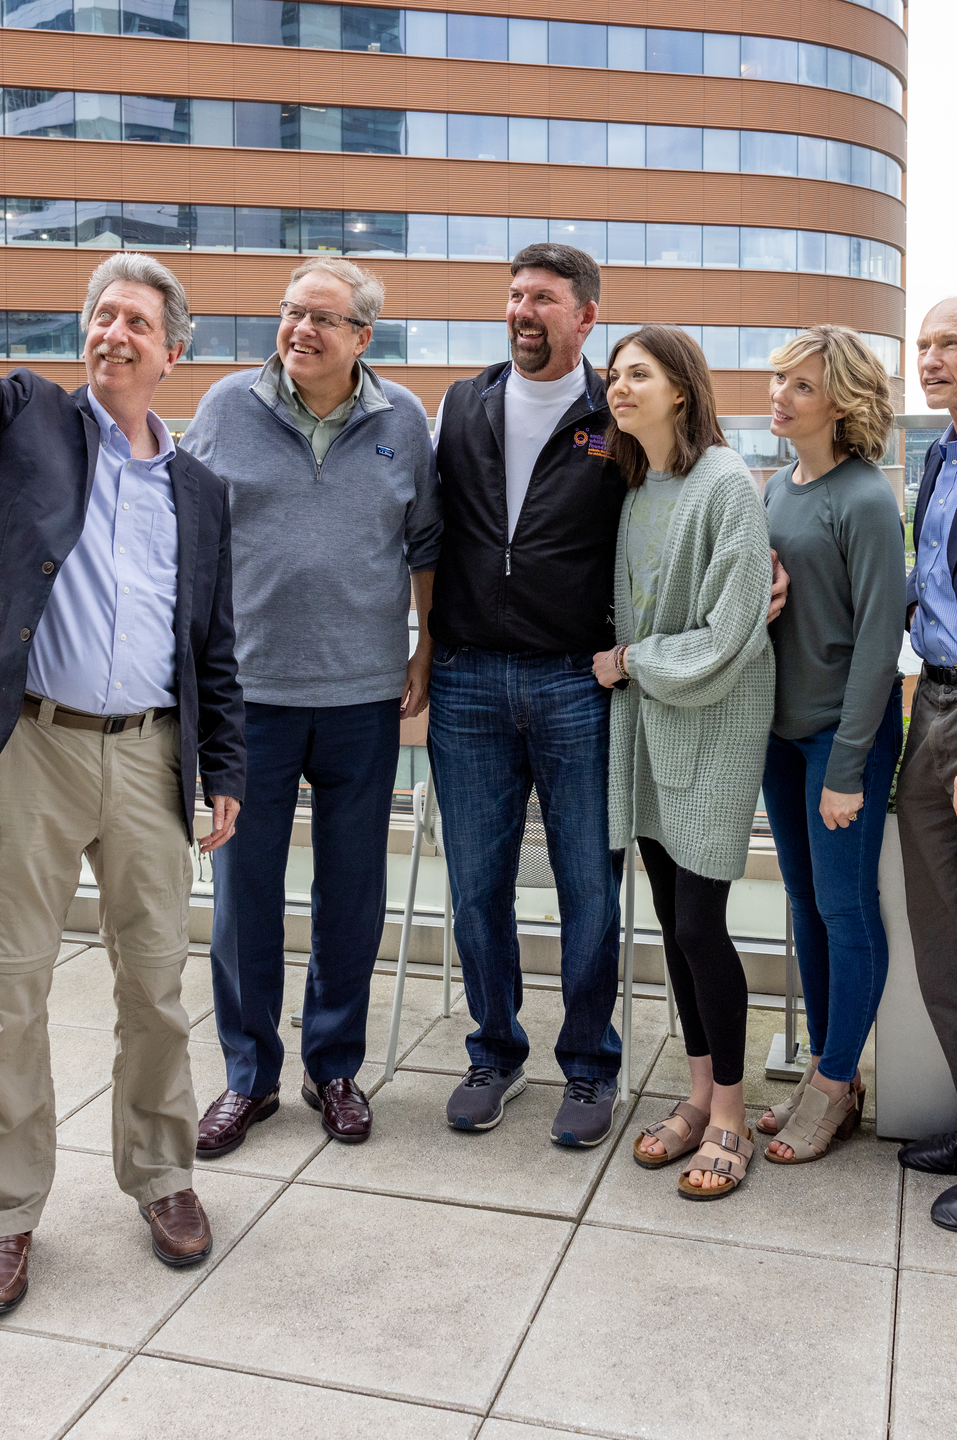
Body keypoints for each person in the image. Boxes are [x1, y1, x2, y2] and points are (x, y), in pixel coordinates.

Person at [0, 241, 245, 1315]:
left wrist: (221, 766)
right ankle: (2, 1217)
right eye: (101, 316)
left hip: (149, 756)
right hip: (32, 747)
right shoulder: (22, 420)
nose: (112, 333)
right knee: (7, 987)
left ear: (172, 351)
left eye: (136, 321)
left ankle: (162, 1176)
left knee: (156, 990)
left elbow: (211, 646)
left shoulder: (202, 492)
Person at [182, 257, 440, 1152]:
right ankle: (247, 1078)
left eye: (324, 319)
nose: (301, 330)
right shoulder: (223, 408)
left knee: (351, 896)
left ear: (362, 337)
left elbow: (426, 548)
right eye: (292, 313)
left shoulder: (403, 420)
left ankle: (334, 1068)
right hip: (249, 700)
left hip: (364, 696)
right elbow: (184, 537)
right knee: (242, 898)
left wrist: (427, 647)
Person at [428, 242, 629, 1147]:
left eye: (543, 298)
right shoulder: (463, 403)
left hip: (575, 681)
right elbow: (421, 530)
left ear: (585, 316)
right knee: (477, 887)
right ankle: (495, 1051)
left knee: (589, 883)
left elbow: (678, 507)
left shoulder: (613, 412)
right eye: (514, 294)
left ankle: (589, 1066)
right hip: (468, 677)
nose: (522, 310)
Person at [600, 325, 774, 1200]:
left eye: (637, 374)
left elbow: (730, 632)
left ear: (680, 388)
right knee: (674, 922)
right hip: (649, 733)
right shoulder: (638, 489)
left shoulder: (725, 486)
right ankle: (700, 1094)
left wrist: (633, 664)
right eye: (613, 375)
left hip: (712, 730)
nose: (618, 387)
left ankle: (734, 1116)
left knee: (703, 923)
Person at [758, 326, 905, 1166]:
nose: (780, 396)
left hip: (840, 739)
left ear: (842, 402)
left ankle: (838, 1076)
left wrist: (847, 768)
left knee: (846, 911)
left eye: (801, 387)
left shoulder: (866, 497)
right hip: (781, 736)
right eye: (781, 382)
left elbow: (880, 647)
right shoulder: (779, 487)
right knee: (808, 906)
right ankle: (828, 1072)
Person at [895, 297, 957, 1230]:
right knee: (941, 933)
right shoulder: (940, 450)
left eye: (951, 344)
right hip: (933, 699)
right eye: (928, 344)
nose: (933, 357)